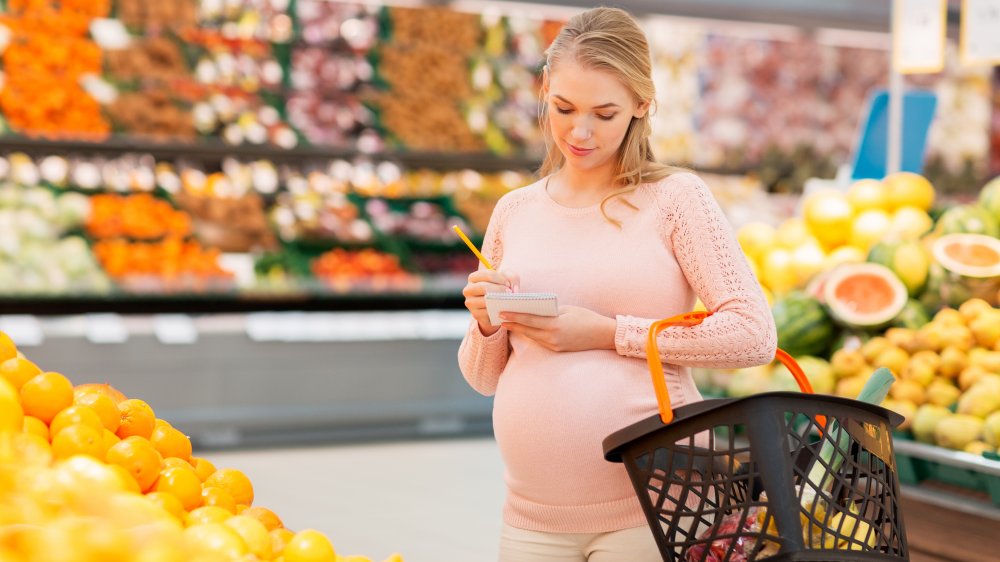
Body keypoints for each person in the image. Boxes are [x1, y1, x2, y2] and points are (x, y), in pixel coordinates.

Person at [457, 7, 777, 562]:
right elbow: (483, 379)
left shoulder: (677, 199)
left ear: (641, 103)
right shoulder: (515, 211)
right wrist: (486, 323)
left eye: (604, 114)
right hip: (531, 514)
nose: (580, 132)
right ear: (546, 92)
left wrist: (609, 333)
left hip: (656, 508)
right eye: (563, 108)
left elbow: (753, 335)